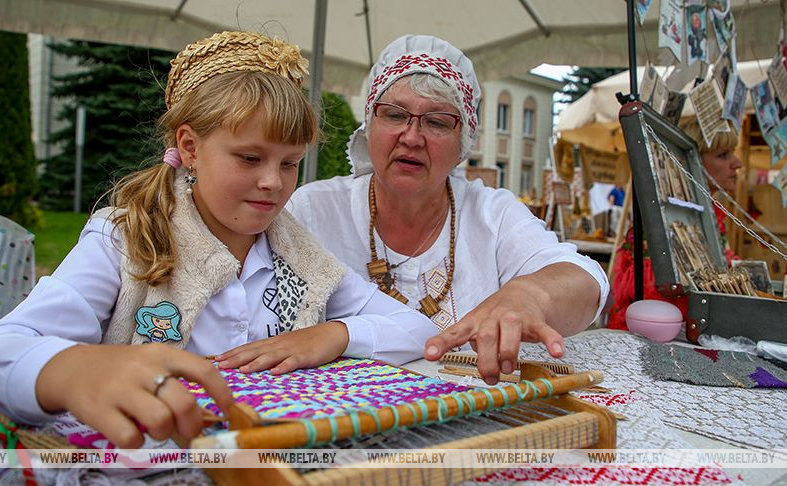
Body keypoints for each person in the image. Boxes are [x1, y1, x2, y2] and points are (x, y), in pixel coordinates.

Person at [0, 31, 435, 449]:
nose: (274, 182)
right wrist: (75, 370)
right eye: (250, 158)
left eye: (289, 163)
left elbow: (420, 331)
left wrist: (335, 333)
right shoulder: (126, 241)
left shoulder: (304, 259)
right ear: (189, 148)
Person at [287, 35, 609, 385]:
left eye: (437, 122)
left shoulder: (492, 214)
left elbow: (586, 282)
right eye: (394, 115)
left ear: (463, 144)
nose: (411, 137)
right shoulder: (312, 210)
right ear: (369, 126)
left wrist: (528, 296)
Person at [608, 116, 741, 329]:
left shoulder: (709, 217)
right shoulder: (665, 222)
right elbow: (659, 304)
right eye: (723, 155)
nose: (737, 163)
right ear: (691, 163)